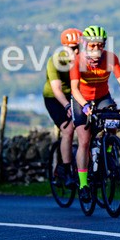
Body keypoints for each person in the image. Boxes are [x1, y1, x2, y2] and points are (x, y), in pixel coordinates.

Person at [70, 25, 120, 201]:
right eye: (92, 46)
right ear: (85, 45)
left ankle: (108, 150)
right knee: (84, 140)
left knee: (113, 121)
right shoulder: (77, 61)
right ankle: (84, 184)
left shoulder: (110, 59)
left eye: (100, 45)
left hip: (102, 97)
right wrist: (85, 105)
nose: (96, 49)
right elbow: (74, 89)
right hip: (81, 100)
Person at [43, 28, 81, 189]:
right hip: (54, 98)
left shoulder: (83, 59)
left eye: (79, 47)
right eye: (73, 48)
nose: (77, 51)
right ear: (65, 48)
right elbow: (57, 90)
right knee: (68, 130)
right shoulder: (55, 61)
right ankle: (66, 170)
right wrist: (67, 106)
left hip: (75, 95)